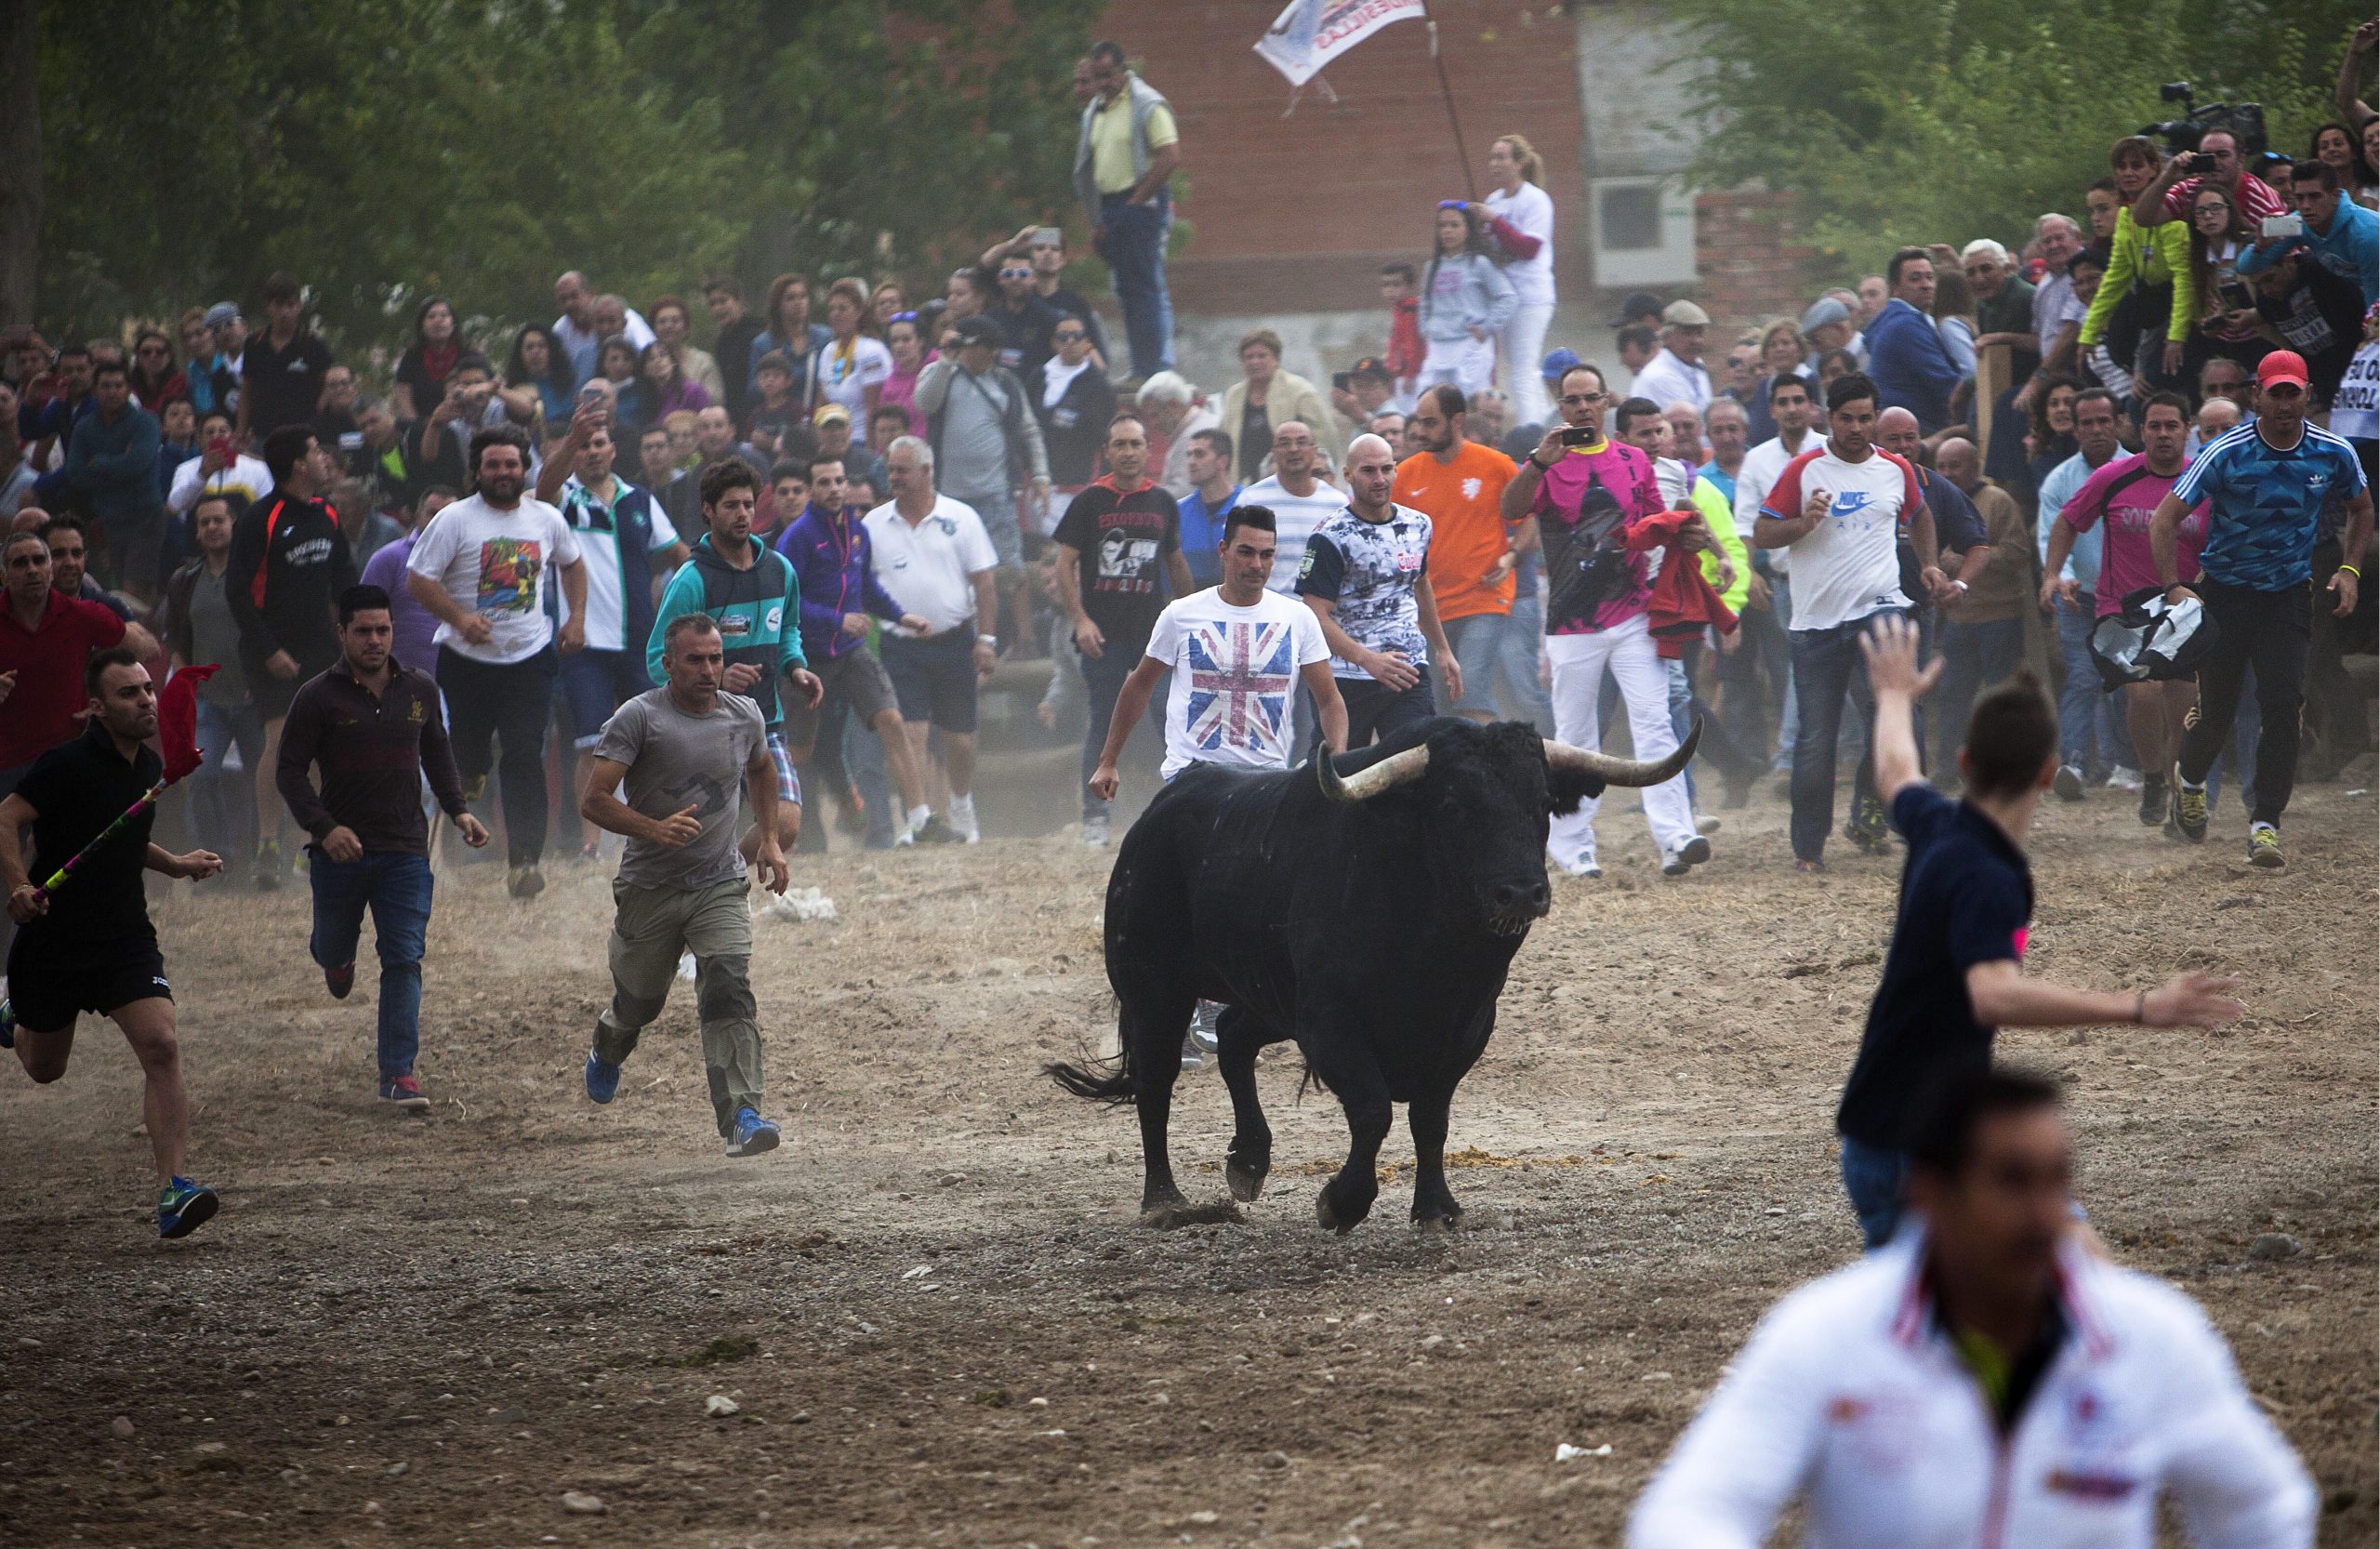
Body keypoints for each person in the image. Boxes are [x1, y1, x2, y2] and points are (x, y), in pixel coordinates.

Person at [1631, 1067, 2315, 1549]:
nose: (2048, 1215)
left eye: (2058, 1181)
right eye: (2012, 1181)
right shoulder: (1825, 1335)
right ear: (1928, 1191)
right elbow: (1690, 1514)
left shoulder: (2152, 1335)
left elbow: (2264, 1506)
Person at [1830, 616, 2247, 1246]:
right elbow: (1993, 994)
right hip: (1910, 1148)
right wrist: (2141, 1007)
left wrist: (1893, 696)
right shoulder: (1988, 874)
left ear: (1966, 761)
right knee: (2033, 1275)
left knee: (2058, 1260)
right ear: (2050, 772)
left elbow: (1895, 773)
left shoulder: (1942, 824)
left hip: (1900, 1126)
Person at [2, 648, 226, 1238]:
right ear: (96, 708)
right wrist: (19, 884)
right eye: (129, 694)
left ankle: (174, 1192)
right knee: (45, 1068)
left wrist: (175, 864)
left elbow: (120, 836)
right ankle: (15, 1018)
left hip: (124, 937)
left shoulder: (148, 765)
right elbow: (6, 816)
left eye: (149, 689)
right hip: (54, 940)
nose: (147, 700)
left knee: (162, 1047)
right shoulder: (65, 764)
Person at [579, 613, 791, 1157]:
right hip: (650, 885)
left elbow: (763, 770)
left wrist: (767, 838)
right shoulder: (638, 719)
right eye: (695, 659)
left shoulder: (744, 715)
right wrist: (654, 828)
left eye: (716, 658)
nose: (707, 669)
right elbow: (594, 799)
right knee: (641, 1003)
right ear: (668, 663)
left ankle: (743, 1115)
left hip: (718, 881)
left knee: (728, 986)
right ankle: (609, 1044)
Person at [2154, 350, 2372, 866]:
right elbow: (2165, 519)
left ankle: (2266, 823)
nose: (2282, 403)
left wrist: (2350, 569)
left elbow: (2362, 509)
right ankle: (2188, 782)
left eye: (2291, 392)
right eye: (2273, 392)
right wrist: (2173, 587)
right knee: (2218, 711)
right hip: (2226, 593)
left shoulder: (2332, 452)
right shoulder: (2225, 452)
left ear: (2307, 396)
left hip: (2289, 594)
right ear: (2256, 396)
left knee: (2282, 706)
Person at [276, 585, 486, 1110]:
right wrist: (324, 828)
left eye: (384, 630)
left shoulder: (419, 688)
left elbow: (436, 752)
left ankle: (399, 1074)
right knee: (332, 944)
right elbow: (288, 771)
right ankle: (336, 960)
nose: (375, 640)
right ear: (342, 632)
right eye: (364, 631)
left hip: (406, 850)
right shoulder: (317, 696)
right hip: (338, 854)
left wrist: (458, 809)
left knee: (404, 957)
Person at [1501, 363, 1703, 878]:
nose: (1584, 407)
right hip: (1572, 623)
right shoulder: (1548, 462)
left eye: (1592, 398)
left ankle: (1677, 837)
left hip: (1634, 614)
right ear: (1561, 407)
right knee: (1574, 738)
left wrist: (1683, 530)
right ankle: (1571, 847)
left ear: (1607, 401)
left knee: (1654, 721)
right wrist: (1538, 464)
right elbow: (1510, 508)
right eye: (1573, 401)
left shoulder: (1635, 460)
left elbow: (1658, 523)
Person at [1753, 375, 1937, 871]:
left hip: (1880, 610)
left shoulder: (1896, 469)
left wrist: (1929, 564)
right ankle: (1808, 849)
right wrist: (1803, 523)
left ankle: (1910, 823)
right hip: (1816, 625)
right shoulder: (1805, 469)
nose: (1857, 428)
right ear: (1828, 418)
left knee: (1901, 713)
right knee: (1817, 740)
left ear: (1875, 417)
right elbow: (1763, 532)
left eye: (1865, 417)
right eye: (1846, 418)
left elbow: (1920, 515)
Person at [404, 425, 588, 898]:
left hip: (529, 657)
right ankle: (470, 771)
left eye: (511, 464)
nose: (504, 473)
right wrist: (460, 618)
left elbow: (573, 563)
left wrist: (576, 619)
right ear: (477, 471)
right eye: (493, 465)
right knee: (467, 757)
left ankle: (524, 863)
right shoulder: (454, 520)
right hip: (466, 660)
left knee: (526, 753)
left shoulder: (545, 518)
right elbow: (419, 580)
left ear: (524, 469)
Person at [1086, 503, 1347, 800]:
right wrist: (1108, 761)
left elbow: (1328, 698)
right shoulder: (1181, 614)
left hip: (1266, 777)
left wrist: (1338, 757)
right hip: (1192, 774)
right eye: (1246, 552)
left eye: (1267, 554)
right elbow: (1139, 685)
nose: (1257, 565)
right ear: (1224, 550)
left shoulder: (1298, 618)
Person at [646, 457, 822, 873]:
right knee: (693, 838)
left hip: (765, 721)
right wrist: (716, 678)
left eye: (747, 504)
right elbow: (658, 659)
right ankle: (691, 897)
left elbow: (789, 628)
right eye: (730, 505)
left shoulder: (780, 571)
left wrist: (795, 666)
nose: (742, 513)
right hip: (702, 729)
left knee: (786, 823)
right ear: (708, 510)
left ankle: (720, 879)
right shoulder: (691, 581)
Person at [2042, 392, 2207, 825]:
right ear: (2141, 431)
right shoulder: (2115, 476)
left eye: (2172, 426)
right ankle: (2151, 775)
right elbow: (2067, 520)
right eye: (2155, 426)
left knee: (2181, 707)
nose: (2164, 434)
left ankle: (2173, 794)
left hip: (2182, 607)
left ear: (2187, 430)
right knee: (2142, 689)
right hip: (2125, 606)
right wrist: (2052, 574)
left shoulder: (2204, 483)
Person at [535, 410, 689, 855]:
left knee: (658, 738)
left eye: (599, 443)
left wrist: (692, 603)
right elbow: (542, 490)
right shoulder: (565, 499)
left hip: (641, 640)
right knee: (594, 742)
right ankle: (592, 844)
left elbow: (679, 552)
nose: (593, 452)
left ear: (614, 449)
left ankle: (663, 832)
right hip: (584, 641)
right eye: (584, 445)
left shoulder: (638, 499)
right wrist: (567, 443)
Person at [772, 450, 936, 847]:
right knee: (801, 750)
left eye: (838, 481)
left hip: (850, 650)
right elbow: (786, 601)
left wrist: (901, 616)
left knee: (892, 721)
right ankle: (799, 832)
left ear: (847, 485)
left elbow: (867, 588)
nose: (833, 489)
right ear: (812, 490)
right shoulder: (796, 537)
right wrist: (836, 619)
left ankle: (919, 820)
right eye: (824, 483)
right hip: (807, 654)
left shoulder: (857, 530)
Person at [227, 425, 358, 890]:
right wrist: (269, 651)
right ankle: (268, 843)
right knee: (282, 742)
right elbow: (238, 593)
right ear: (298, 465)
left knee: (328, 744)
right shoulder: (260, 519)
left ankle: (318, 839)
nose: (326, 458)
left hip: (322, 646)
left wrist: (356, 633)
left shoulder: (327, 512)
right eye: (317, 451)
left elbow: (345, 580)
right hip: (271, 650)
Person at [1053, 415, 1190, 844]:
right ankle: (1095, 816)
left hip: (1153, 635)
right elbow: (1063, 564)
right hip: (1103, 636)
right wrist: (1079, 620)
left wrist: (1188, 616)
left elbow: (1175, 562)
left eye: (1136, 444)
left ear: (1149, 451)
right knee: (1103, 720)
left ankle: (1182, 807)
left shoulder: (1164, 502)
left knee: (1171, 717)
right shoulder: (1089, 502)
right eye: (1120, 445)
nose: (1129, 453)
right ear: (1107, 452)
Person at [865, 437, 998, 843]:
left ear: (927, 471)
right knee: (911, 735)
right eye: (891, 470)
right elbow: (859, 583)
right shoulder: (872, 524)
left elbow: (985, 583)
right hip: (900, 645)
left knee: (960, 741)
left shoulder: (963, 518)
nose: (894, 478)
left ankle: (961, 802)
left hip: (955, 641)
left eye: (903, 470)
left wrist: (987, 639)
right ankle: (919, 817)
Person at [1295, 430, 1458, 750]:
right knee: (1337, 777)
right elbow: (1313, 613)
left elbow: (1420, 584)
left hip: (1407, 671)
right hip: (1346, 678)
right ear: (1348, 475)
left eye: (1387, 469)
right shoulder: (1330, 536)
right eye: (1368, 471)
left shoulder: (1418, 525)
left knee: (1416, 769)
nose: (1380, 479)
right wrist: (1367, 659)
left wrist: (1442, 648)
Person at [1397, 385, 1540, 727]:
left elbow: (1531, 517)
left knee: (1471, 687)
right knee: (1439, 702)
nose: (1420, 431)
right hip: (1428, 609)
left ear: (1457, 420)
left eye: (1430, 423)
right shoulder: (1405, 474)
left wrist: (1511, 557)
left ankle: (1485, 772)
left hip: (1484, 599)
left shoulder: (1495, 464)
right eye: (1418, 422)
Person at [914, 314, 1049, 652]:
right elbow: (924, 403)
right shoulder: (941, 375)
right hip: (950, 497)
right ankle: (961, 636)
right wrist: (947, 360)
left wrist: (1042, 475)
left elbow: (1028, 430)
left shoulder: (1006, 383)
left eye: (993, 348)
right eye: (984, 347)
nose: (991, 354)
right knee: (955, 571)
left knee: (1011, 566)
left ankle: (1025, 638)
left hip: (996, 493)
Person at [2032, 386, 2131, 796]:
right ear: (2074, 429)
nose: (2095, 430)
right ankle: (2071, 764)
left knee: (2127, 678)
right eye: (2086, 423)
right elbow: (2050, 536)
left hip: (2130, 595)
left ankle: (2127, 764)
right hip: (2080, 594)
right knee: (2082, 677)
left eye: (2103, 421)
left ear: (2119, 423)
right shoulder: (2060, 480)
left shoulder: (2139, 469)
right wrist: (2060, 576)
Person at [161, 494, 267, 868]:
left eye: (218, 520)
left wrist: (265, 676)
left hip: (255, 699)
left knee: (265, 779)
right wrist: (185, 681)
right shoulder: (185, 579)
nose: (211, 528)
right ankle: (214, 859)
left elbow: (270, 630)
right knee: (202, 777)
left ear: (233, 525)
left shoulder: (256, 574)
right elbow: (175, 635)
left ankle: (264, 860)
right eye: (204, 523)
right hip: (208, 700)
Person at [1927, 437, 2033, 776]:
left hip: (1999, 617)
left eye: (1954, 465)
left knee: (2000, 698)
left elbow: (2018, 553)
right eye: (1941, 466)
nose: (1947, 473)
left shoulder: (1998, 501)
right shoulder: (1936, 504)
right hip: (1958, 620)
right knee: (1952, 697)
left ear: (1975, 467)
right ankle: (1948, 768)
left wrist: (1967, 560)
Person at [1076, 37, 1181, 379]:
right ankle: (1141, 367)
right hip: (1110, 206)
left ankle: (1155, 369)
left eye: (1108, 74)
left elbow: (1169, 157)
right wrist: (1099, 218)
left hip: (1139, 201)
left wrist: (1136, 203)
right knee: (1125, 290)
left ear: (1124, 70)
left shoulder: (1147, 104)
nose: (1102, 83)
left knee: (1145, 289)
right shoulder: (1098, 109)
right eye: (1097, 76)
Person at [56, 358, 165, 603]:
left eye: (118, 385)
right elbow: (75, 474)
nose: (113, 391)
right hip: (109, 522)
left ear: (128, 389)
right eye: (106, 386)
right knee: (117, 593)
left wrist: (99, 463)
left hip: (145, 518)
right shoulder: (85, 427)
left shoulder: (145, 422)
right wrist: (119, 463)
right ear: (95, 390)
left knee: (135, 592)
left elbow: (138, 464)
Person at [1477, 134, 1557, 424]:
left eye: (1502, 157)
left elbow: (1529, 248)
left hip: (1530, 295)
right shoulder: (1494, 200)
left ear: (1520, 162)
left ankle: (1530, 434)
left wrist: (1494, 221)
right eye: (1492, 157)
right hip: (1505, 296)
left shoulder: (1535, 199)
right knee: (1521, 368)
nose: (1494, 164)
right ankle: (1542, 423)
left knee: (1522, 369)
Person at [1415, 203, 1516, 399]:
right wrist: (1425, 328)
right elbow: (1425, 303)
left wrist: (1487, 327)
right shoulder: (1432, 267)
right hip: (1438, 346)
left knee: (1472, 405)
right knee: (1433, 404)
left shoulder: (1480, 264)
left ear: (1468, 230)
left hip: (1470, 345)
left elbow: (1507, 297)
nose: (1447, 231)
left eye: (1454, 225)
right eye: (1442, 225)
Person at [1239, 420, 1349, 595]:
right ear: (1273, 453)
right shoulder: (1251, 500)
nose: (1293, 449)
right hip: (1270, 610)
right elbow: (1236, 560)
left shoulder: (1338, 504)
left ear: (1314, 451)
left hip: (1321, 611)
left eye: (1301, 442)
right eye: (1284, 443)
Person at [1865, 247, 1965, 435]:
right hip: (1914, 434)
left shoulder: (1891, 320)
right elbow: (1946, 384)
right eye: (1915, 278)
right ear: (1895, 288)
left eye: (1930, 277)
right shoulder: (1906, 325)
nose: (1926, 284)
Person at [1219, 330, 1341, 481]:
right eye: (1248, 357)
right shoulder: (1233, 396)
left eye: (1262, 356)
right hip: (1245, 487)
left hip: (1293, 483)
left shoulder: (1301, 392)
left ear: (1276, 359)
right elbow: (1224, 444)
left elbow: (1325, 441)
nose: (1255, 362)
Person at [1036, 316, 1121, 495]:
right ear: (1054, 343)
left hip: (1077, 486)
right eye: (1063, 336)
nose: (1070, 341)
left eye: (1076, 336)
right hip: (1038, 482)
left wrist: (1106, 487)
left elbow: (1108, 440)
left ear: (1087, 343)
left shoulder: (1099, 387)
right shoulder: (1038, 378)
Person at [805, 277, 893, 420]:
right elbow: (821, 404)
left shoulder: (872, 351)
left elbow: (874, 409)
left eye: (842, 309)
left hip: (861, 437)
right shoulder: (829, 350)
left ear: (859, 312)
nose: (835, 314)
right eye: (832, 309)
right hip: (833, 435)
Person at [553, 271, 654, 385]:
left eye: (574, 296)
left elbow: (650, 353)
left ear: (590, 294)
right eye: (563, 299)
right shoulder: (561, 331)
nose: (569, 304)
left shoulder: (628, 317)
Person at [978, 258, 1064, 390]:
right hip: (995, 392)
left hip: (1036, 394)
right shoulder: (988, 319)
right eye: (1008, 274)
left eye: (1023, 274)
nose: (1015, 279)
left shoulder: (1048, 318)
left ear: (1033, 278)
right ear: (1000, 279)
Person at [1136, 369, 1220, 499]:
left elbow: (1184, 492)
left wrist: (1145, 497)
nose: (1152, 424)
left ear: (1173, 405)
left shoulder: (1194, 436)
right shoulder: (1200, 424)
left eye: (1155, 415)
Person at [1174, 428, 1240, 591]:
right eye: (1188, 455)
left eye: (1199, 454)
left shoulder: (1247, 506)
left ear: (1222, 461)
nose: (1191, 461)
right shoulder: (1178, 512)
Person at [704, 276, 767, 426]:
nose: (718, 308)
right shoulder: (721, 342)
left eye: (723, 301)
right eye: (713, 304)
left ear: (739, 302)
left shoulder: (757, 335)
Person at [1632, 300, 1713, 414]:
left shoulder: (1696, 365)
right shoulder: (1659, 376)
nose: (1696, 340)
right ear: (1666, 336)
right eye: (1687, 333)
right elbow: (1688, 424)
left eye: (1700, 333)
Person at [394, 297, 466, 421]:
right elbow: (404, 397)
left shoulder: (468, 354)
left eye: (444, 315)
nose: (438, 320)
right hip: (422, 426)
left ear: (453, 323)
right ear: (422, 326)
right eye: (431, 316)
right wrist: (417, 427)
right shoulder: (411, 357)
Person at [650, 295, 724, 407]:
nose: (669, 326)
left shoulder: (703, 361)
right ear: (654, 329)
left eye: (675, 321)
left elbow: (715, 401)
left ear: (686, 327)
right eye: (662, 321)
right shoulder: (648, 363)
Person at [1379, 262, 1424, 408]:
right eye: (1386, 285)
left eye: (1396, 285)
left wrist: (1410, 375)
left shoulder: (1410, 311)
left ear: (1409, 286)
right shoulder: (1399, 311)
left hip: (1411, 376)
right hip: (1401, 374)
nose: (1390, 290)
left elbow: (1413, 346)